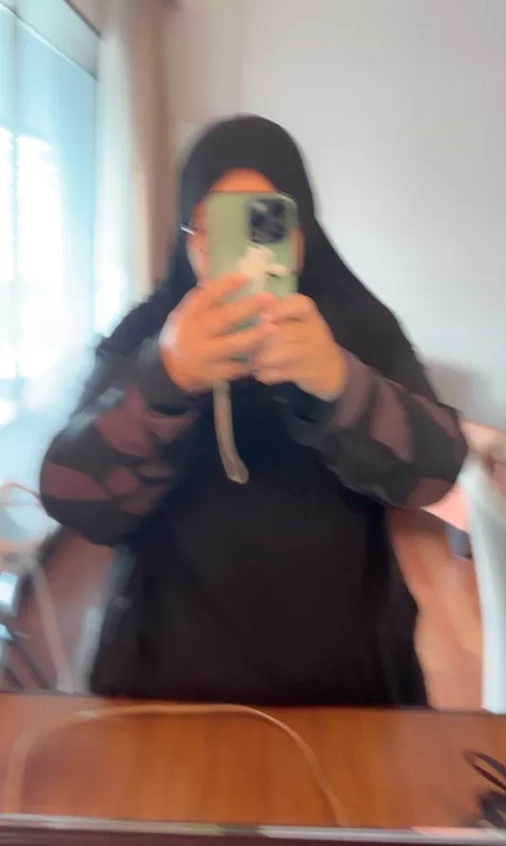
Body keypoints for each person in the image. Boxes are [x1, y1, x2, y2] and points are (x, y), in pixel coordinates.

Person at [41, 116, 467, 704]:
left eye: (264, 221)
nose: (240, 255)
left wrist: (339, 381)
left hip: (350, 684)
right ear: (186, 237)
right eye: (212, 227)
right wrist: (165, 378)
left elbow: (438, 473)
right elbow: (73, 498)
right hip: (165, 683)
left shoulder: (359, 326)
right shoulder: (148, 332)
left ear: (301, 230)